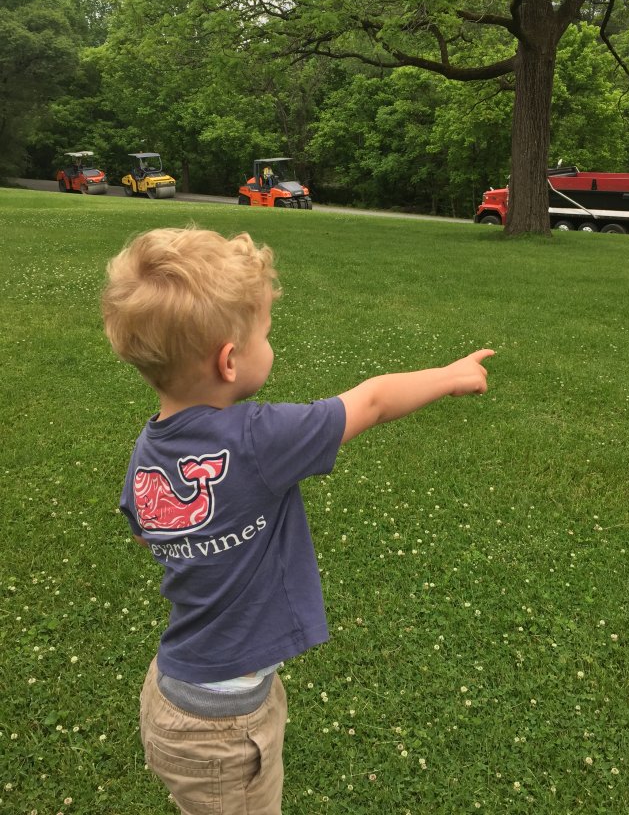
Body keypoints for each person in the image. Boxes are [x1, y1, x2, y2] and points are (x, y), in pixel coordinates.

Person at [101, 226, 493, 815]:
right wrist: (452, 374)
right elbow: (372, 401)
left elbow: (141, 529)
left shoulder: (148, 448)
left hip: (178, 691)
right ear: (229, 361)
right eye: (265, 334)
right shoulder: (260, 439)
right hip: (223, 728)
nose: (270, 343)